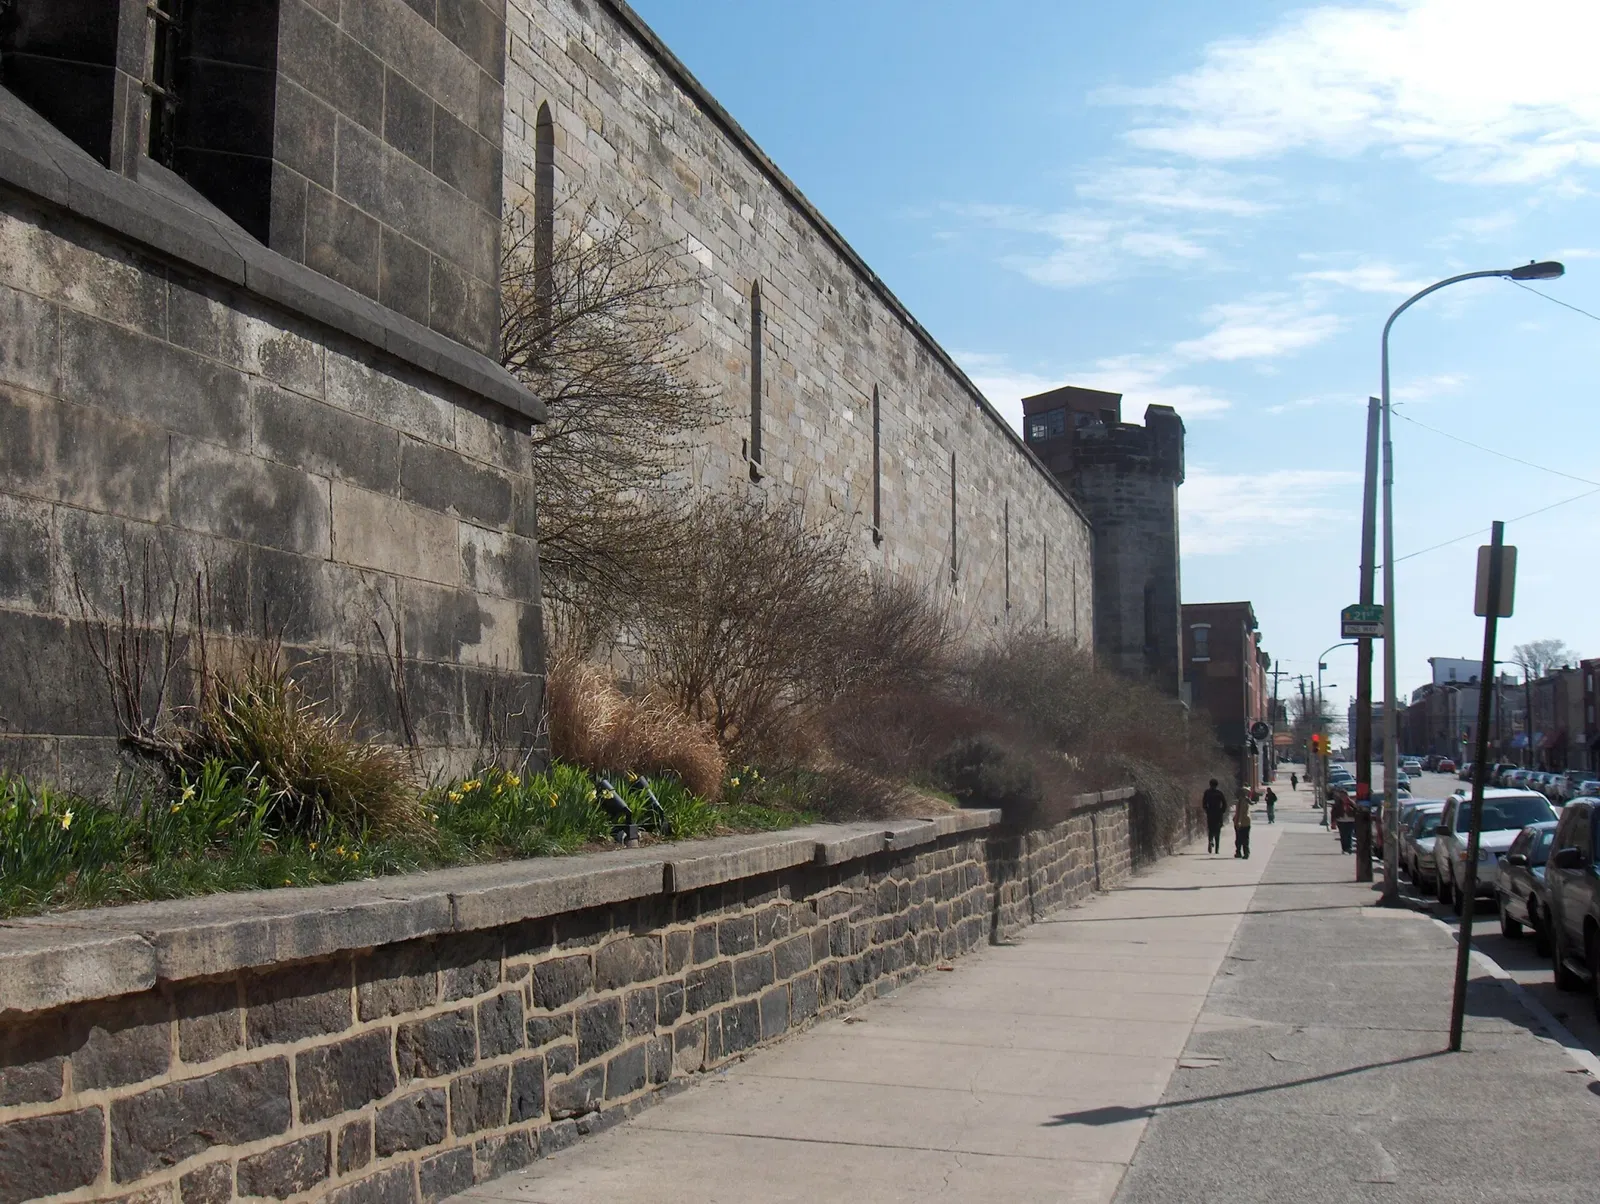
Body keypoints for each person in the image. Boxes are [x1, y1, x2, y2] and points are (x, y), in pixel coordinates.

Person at [1201, 779, 1228, 854]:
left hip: (1210, 813)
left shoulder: (1207, 792)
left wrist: (1207, 810)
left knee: (1210, 829)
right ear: (1217, 785)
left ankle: (1210, 840)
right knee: (1217, 830)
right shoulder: (1219, 793)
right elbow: (1224, 803)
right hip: (1218, 813)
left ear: (1210, 784)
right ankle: (1217, 849)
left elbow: (1204, 803)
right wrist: (1222, 811)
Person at [1332, 789, 1356, 854]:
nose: (1343, 797)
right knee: (1343, 835)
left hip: (1350, 820)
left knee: (1349, 835)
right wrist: (1333, 822)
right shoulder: (1337, 803)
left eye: (1344, 795)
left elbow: (1356, 810)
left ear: (1347, 795)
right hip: (1341, 821)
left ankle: (1349, 848)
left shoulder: (1351, 802)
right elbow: (1333, 813)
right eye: (1341, 796)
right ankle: (1344, 848)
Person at [1233, 790, 1253, 859]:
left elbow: (1241, 812)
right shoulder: (1246, 801)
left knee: (1240, 838)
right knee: (1245, 838)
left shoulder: (1242, 801)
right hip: (1246, 822)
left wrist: (1238, 821)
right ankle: (1243, 852)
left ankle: (1243, 852)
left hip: (1242, 823)